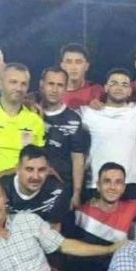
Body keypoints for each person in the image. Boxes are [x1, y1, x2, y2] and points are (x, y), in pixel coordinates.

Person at [67, 163, 136, 271]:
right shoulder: (80, 214)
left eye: (118, 182)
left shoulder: (133, 207)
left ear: (124, 187)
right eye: (107, 181)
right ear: (98, 186)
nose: (112, 187)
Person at [81, 68, 136, 201]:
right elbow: (59, 112)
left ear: (130, 91)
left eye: (124, 84)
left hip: (130, 182)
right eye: (114, 83)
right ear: (106, 88)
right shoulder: (87, 113)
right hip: (97, 183)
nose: (119, 88)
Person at [38, 66, 89, 209]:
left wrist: (76, 193)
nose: (54, 90)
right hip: (31, 185)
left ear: (66, 88)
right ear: (42, 84)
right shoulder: (29, 112)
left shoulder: (73, 119)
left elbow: (78, 158)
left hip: (61, 187)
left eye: (60, 85)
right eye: (51, 84)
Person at [0, 145, 70, 228]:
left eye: (41, 170)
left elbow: (54, 227)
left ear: (48, 170)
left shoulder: (57, 192)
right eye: (29, 169)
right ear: (18, 169)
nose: (35, 177)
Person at [60, 43, 103, 110]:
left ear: (86, 66)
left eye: (78, 62)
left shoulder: (97, 90)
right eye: (69, 62)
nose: (73, 67)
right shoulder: (54, 93)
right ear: (62, 66)